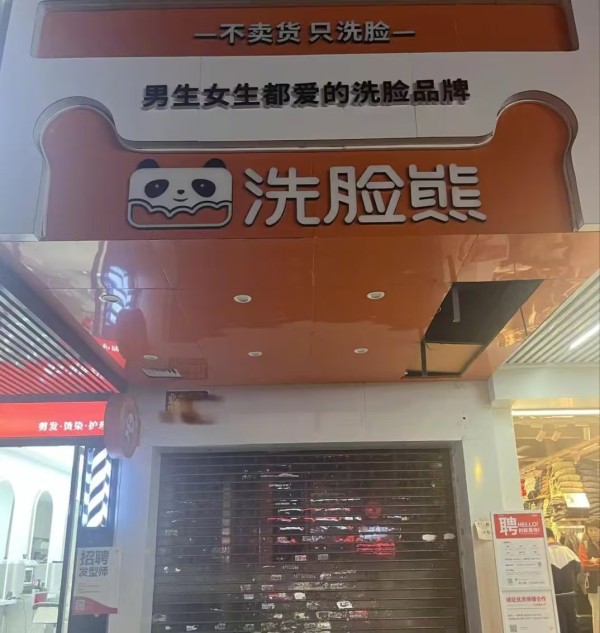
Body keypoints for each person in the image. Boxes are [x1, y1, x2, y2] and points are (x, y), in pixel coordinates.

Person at [547, 527, 581, 633]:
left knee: (558, 626)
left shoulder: (543, 553)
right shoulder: (568, 551)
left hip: (552, 597)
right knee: (572, 624)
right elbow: (578, 569)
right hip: (570, 595)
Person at [579, 518, 600, 633]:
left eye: (595, 530)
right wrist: (592, 562)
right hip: (593, 585)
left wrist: (595, 561)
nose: (592, 533)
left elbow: (590, 563)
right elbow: (584, 564)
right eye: (590, 530)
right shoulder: (584, 545)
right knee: (597, 614)